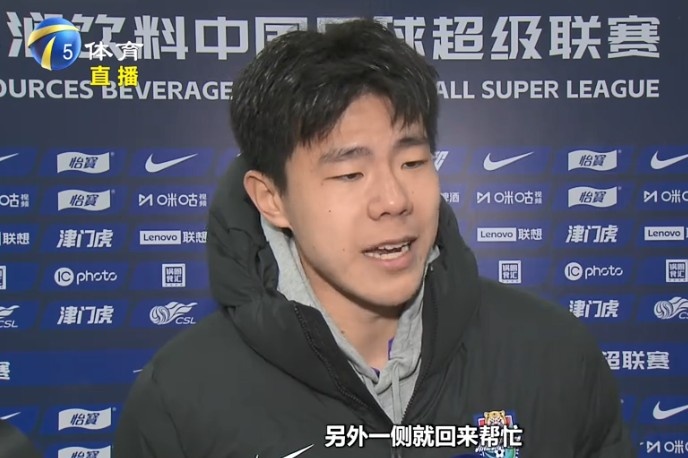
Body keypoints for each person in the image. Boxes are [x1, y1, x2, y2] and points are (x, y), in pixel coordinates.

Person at [113, 18, 635, 458]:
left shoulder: (555, 357)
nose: (393, 199)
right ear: (271, 198)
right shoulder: (180, 398)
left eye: (413, 161)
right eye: (349, 174)